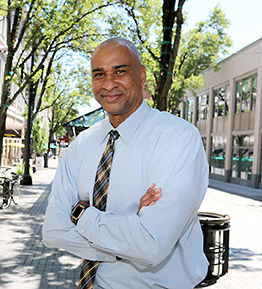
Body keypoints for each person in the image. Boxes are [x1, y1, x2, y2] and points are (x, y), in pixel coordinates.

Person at [42, 38, 209, 289]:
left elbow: (152, 245)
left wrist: (82, 216)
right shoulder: (81, 145)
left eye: (120, 71)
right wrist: (131, 232)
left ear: (141, 75)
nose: (109, 84)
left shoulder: (177, 137)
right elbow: (53, 231)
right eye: (99, 74)